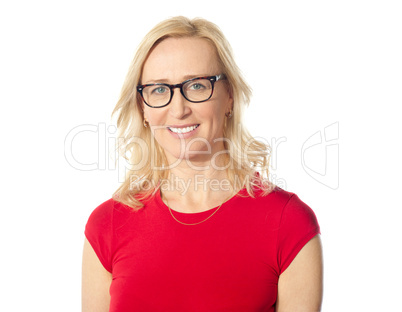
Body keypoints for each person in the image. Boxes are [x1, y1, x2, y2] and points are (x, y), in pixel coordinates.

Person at [82, 16, 323, 312]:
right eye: (159, 90)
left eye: (197, 86)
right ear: (142, 107)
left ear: (230, 97)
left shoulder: (288, 224)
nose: (179, 108)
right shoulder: (107, 226)